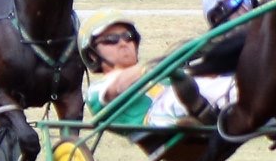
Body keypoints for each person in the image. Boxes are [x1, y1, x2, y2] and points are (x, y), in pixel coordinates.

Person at [79, 10, 226, 130]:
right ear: (92, 55)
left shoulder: (157, 74)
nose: (123, 43)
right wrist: (161, 63)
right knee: (177, 94)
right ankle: (201, 114)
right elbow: (117, 86)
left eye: (128, 36)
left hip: (187, 97)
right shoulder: (96, 90)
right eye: (111, 39)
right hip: (154, 120)